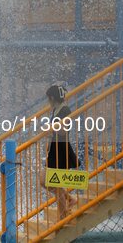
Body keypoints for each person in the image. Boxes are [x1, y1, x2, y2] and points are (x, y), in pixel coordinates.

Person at [40, 83, 78, 219]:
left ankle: (62, 216)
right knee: (44, 181)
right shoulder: (55, 110)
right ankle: (70, 199)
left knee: (51, 183)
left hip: (61, 149)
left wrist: (50, 127)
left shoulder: (65, 110)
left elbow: (63, 131)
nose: (47, 101)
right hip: (54, 148)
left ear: (52, 97)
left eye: (48, 98)